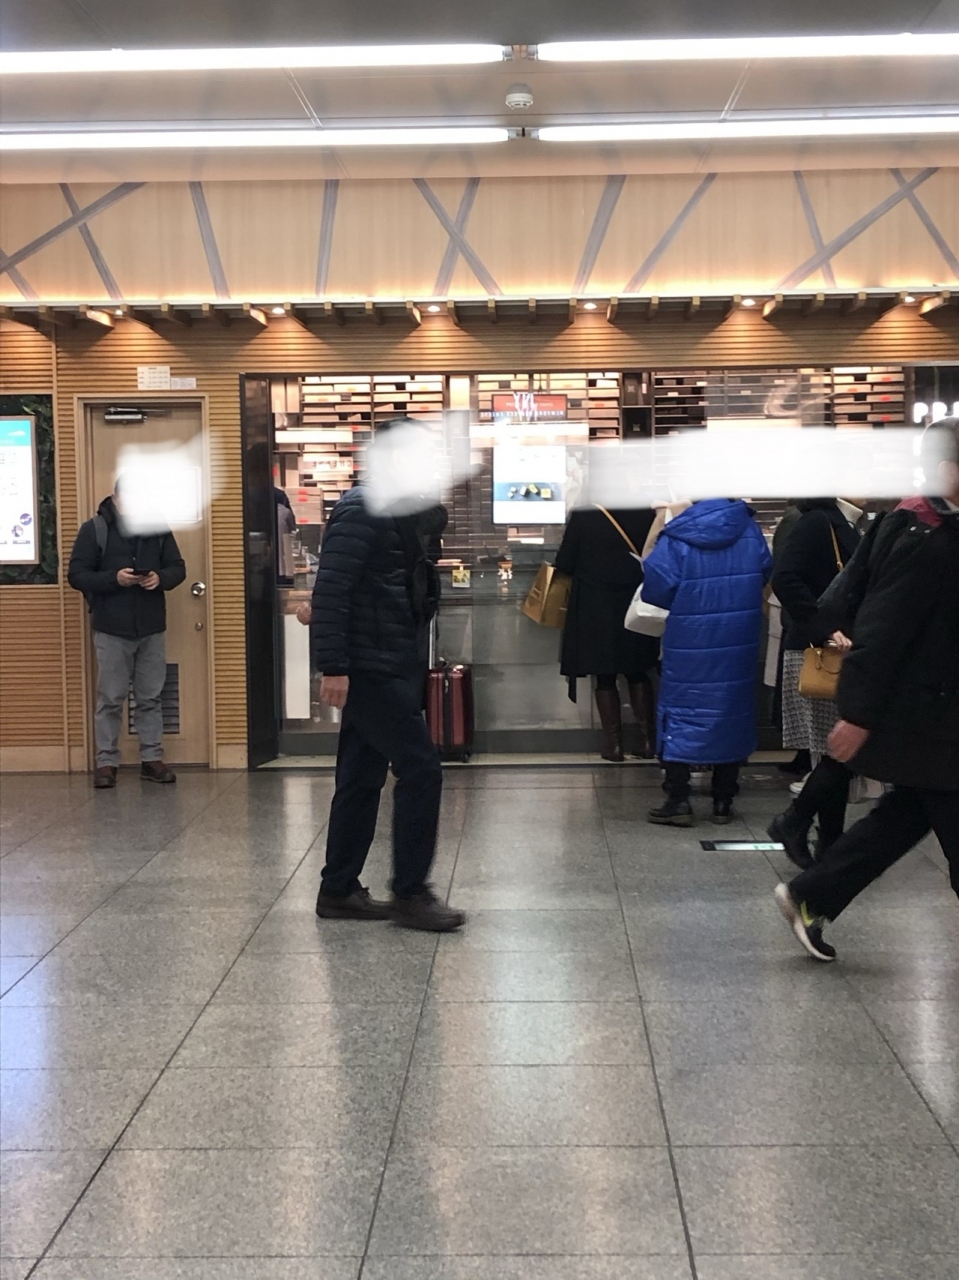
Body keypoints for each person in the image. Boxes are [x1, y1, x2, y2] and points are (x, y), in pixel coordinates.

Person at [775, 418, 959, 961]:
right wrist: (856, 714)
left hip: (934, 709)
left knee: (905, 816)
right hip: (928, 710)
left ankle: (811, 895)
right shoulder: (923, 536)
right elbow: (882, 628)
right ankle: (809, 890)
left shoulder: (930, 524)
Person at [309, 418, 464, 932]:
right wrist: (334, 666)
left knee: (360, 776)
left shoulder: (402, 510)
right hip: (369, 664)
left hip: (392, 659)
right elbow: (332, 589)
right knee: (421, 768)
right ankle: (410, 892)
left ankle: (338, 889)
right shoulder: (363, 508)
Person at [641, 498, 772, 825]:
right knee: (731, 710)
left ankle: (678, 799)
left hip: (690, 638)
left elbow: (656, 588)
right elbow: (765, 570)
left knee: (682, 710)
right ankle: (723, 800)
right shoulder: (749, 530)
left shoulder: (678, 535)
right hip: (739, 637)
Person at [67, 475, 185, 789]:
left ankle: (152, 758)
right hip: (111, 627)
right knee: (110, 698)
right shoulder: (95, 529)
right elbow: (77, 575)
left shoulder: (157, 528)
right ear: (116, 499)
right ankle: (106, 762)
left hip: (151, 626)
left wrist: (160, 578)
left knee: (150, 697)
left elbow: (177, 567)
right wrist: (114, 579)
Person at [767, 499, 862, 867]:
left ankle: (828, 841)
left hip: (833, 650)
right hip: (821, 652)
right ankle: (796, 820)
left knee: (835, 750)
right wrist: (824, 625)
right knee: (843, 749)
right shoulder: (818, 522)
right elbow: (785, 578)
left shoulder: (848, 523)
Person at [554, 505, 658, 761]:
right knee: (637, 671)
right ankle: (648, 741)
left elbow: (565, 562)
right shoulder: (646, 513)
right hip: (635, 605)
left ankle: (614, 745)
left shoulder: (584, 515)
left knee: (605, 675)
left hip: (595, 606)